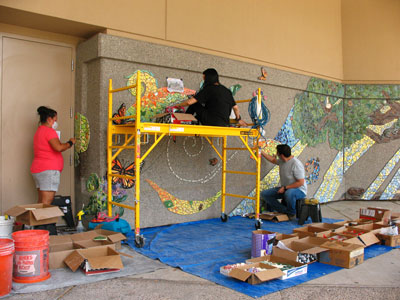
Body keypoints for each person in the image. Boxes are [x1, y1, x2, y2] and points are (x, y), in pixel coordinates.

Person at [30, 106, 76, 205]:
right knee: (47, 202)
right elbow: (58, 147)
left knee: (41, 202)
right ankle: (44, 221)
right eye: (55, 120)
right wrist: (70, 143)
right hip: (48, 171)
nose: (55, 123)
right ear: (49, 119)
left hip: (38, 169)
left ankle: (35, 220)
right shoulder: (49, 131)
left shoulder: (39, 131)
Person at [177, 68, 247, 127]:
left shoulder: (208, 89)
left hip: (211, 122)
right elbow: (235, 108)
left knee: (194, 103)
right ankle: (190, 120)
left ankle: (183, 120)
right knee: (201, 111)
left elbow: (189, 102)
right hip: (224, 124)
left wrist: (178, 105)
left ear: (207, 79)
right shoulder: (226, 90)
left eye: (204, 79)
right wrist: (238, 119)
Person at [260, 144, 307, 219]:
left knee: (289, 193)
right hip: (286, 188)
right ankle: (285, 211)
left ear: (281, 155)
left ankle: (291, 213)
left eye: (277, 153)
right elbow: (272, 160)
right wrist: (261, 151)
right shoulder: (282, 161)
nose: (276, 154)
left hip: (299, 190)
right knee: (264, 194)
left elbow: (300, 182)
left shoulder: (296, 164)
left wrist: (285, 188)